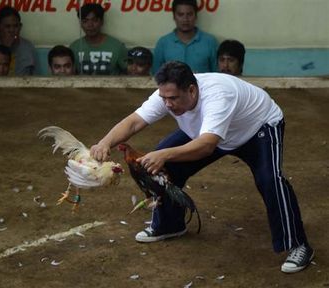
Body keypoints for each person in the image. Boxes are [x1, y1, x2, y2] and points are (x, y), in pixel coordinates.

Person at [90, 61, 314, 274]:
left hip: (257, 128)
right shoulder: (168, 93)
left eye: (173, 98)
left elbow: (207, 146)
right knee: (162, 166)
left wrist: (165, 154)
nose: (167, 104)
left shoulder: (218, 96)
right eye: (164, 98)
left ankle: (298, 244)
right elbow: (134, 121)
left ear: (192, 90)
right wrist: (104, 142)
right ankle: (169, 224)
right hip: (209, 131)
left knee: (269, 179)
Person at [152, 0, 218, 74]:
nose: (185, 19)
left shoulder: (210, 42)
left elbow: (217, 75)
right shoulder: (163, 43)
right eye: (180, 14)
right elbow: (156, 76)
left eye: (189, 14)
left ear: (196, 16)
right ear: (174, 16)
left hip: (203, 86)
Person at [70, 3, 127, 75]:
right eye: (85, 21)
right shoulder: (74, 47)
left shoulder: (117, 47)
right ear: (81, 24)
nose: (90, 25)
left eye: (94, 20)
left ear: (102, 21)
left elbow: (129, 74)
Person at [0, 5, 38, 76]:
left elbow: (37, 77)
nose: (12, 30)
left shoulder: (28, 47)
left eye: (16, 26)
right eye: (7, 27)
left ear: (20, 27)